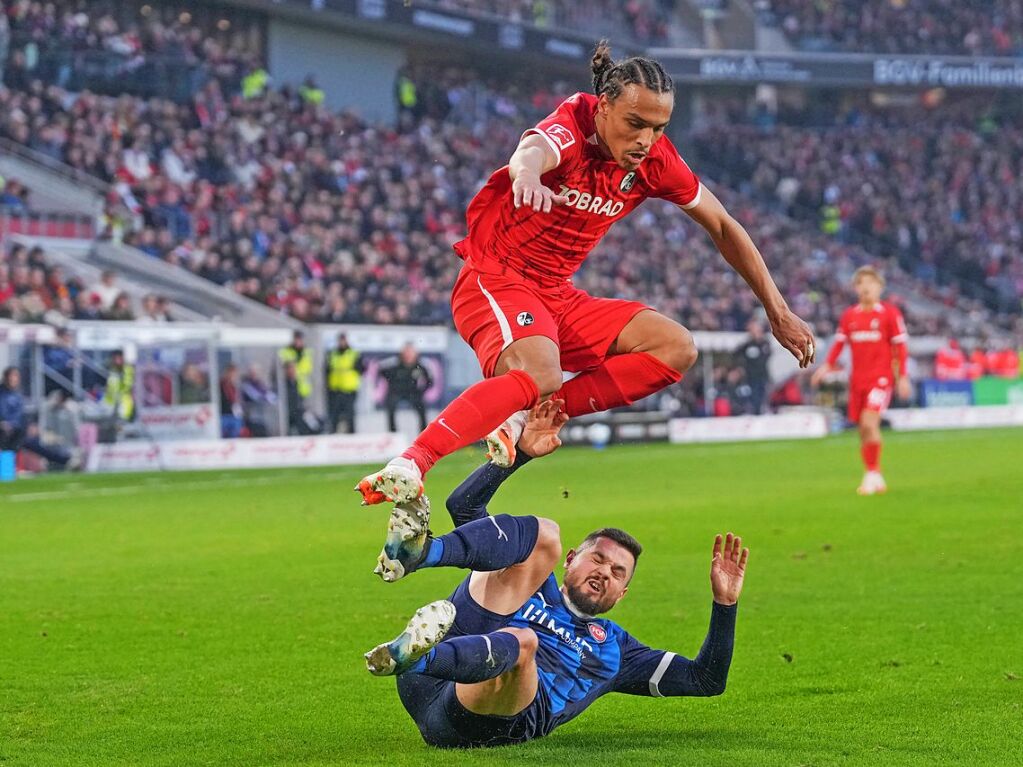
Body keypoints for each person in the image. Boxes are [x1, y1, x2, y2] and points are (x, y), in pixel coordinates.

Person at [357, 40, 814, 506]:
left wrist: (776, 310)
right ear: (605, 106)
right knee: (542, 370)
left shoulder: (655, 161)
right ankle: (411, 463)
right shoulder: (573, 124)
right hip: (495, 277)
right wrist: (527, 177)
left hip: (556, 295)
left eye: (658, 128)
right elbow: (532, 150)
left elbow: (722, 224)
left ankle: (526, 418)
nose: (645, 141)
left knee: (676, 347)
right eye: (635, 124)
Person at [363, 400, 747, 748]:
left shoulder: (618, 650)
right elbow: (463, 507)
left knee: (523, 641)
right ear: (572, 560)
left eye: (617, 573)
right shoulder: (530, 577)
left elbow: (705, 680)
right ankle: (422, 553)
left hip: (479, 719)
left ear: (623, 594)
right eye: (597, 560)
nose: (605, 574)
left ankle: (415, 655)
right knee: (543, 536)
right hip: (428, 682)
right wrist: (520, 456)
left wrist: (725, 604)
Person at [811, 267, 911, 495]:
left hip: (881, 379)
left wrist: (902, 376)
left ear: (879, 287)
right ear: (855, 288)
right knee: (863, 430)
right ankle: (874, 474)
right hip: (857, 381)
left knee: (869, 422)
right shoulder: (850, 315)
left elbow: (900, 348)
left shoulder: (890, 314)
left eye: (871, 283)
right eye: (861, 283)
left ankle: (872, 473)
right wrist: (825, 366)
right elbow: (838, 344)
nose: (866, 287)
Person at [0, 367, 73, 469]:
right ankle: (7, 467)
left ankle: (62, 460)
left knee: (34, 442)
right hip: (5, 431)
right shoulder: (2, 394)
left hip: (18, 431)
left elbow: (22, 415)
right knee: (12, 442)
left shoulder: (18, 395)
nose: (14, 379)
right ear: (5, 377)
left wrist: (30, 425)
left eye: (16, 376)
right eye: (12, 376)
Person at [380, 343, 432, 434]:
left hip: (412, 392)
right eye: (406, 353)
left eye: (411, 353)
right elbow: (381, 372)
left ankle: (424, 434)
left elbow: (430, 381)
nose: (409, 356)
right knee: (391, 405)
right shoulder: (394, 365)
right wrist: (391, 383)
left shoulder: (420, 366)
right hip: (397, 392)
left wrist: (422, 391)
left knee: (421, 407)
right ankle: (393, 433)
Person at [325, 334, 364, 434]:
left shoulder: (354, 354)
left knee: (350, 415)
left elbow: (361, 369)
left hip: (349, 389)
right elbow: (327, 371)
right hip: (335, 389)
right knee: (334, 415)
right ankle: (333, 434)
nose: (342, 343)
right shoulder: (332, 354)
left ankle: (351, 435)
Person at [737, 319, 772, 413]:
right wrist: (741, 367)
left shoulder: (765, 343)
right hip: (750, 376)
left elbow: (766, 356)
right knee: (752, 396)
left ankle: (760, 412)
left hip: (762, 375)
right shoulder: (747, 345)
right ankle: (754, 412)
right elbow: (737, 353)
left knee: (762, 396)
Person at [279, 331, 313, 405]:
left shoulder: (307, 352)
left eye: (300, 339)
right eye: (297, 339)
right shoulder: (286, 351)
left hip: (302, 386)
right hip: (290, 384)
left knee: (301, 407)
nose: (298, 342)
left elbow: (308, 368)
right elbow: (282, 365)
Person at [103, 350, 135, 423]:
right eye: (114, 358)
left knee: (122, 420)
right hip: (111, 401)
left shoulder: (127, 369)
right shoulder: (112, 369)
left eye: (118, 358)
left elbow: (127, 385)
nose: (116, 360)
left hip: (123, 401)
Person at [219, 363, 243, 438]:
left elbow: (237, 401)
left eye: (235, 374)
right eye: (231, 373)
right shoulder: (220, 385)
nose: (233, 376)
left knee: (236, 430)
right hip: (222, 415)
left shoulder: (235, 386)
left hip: (234, 415)